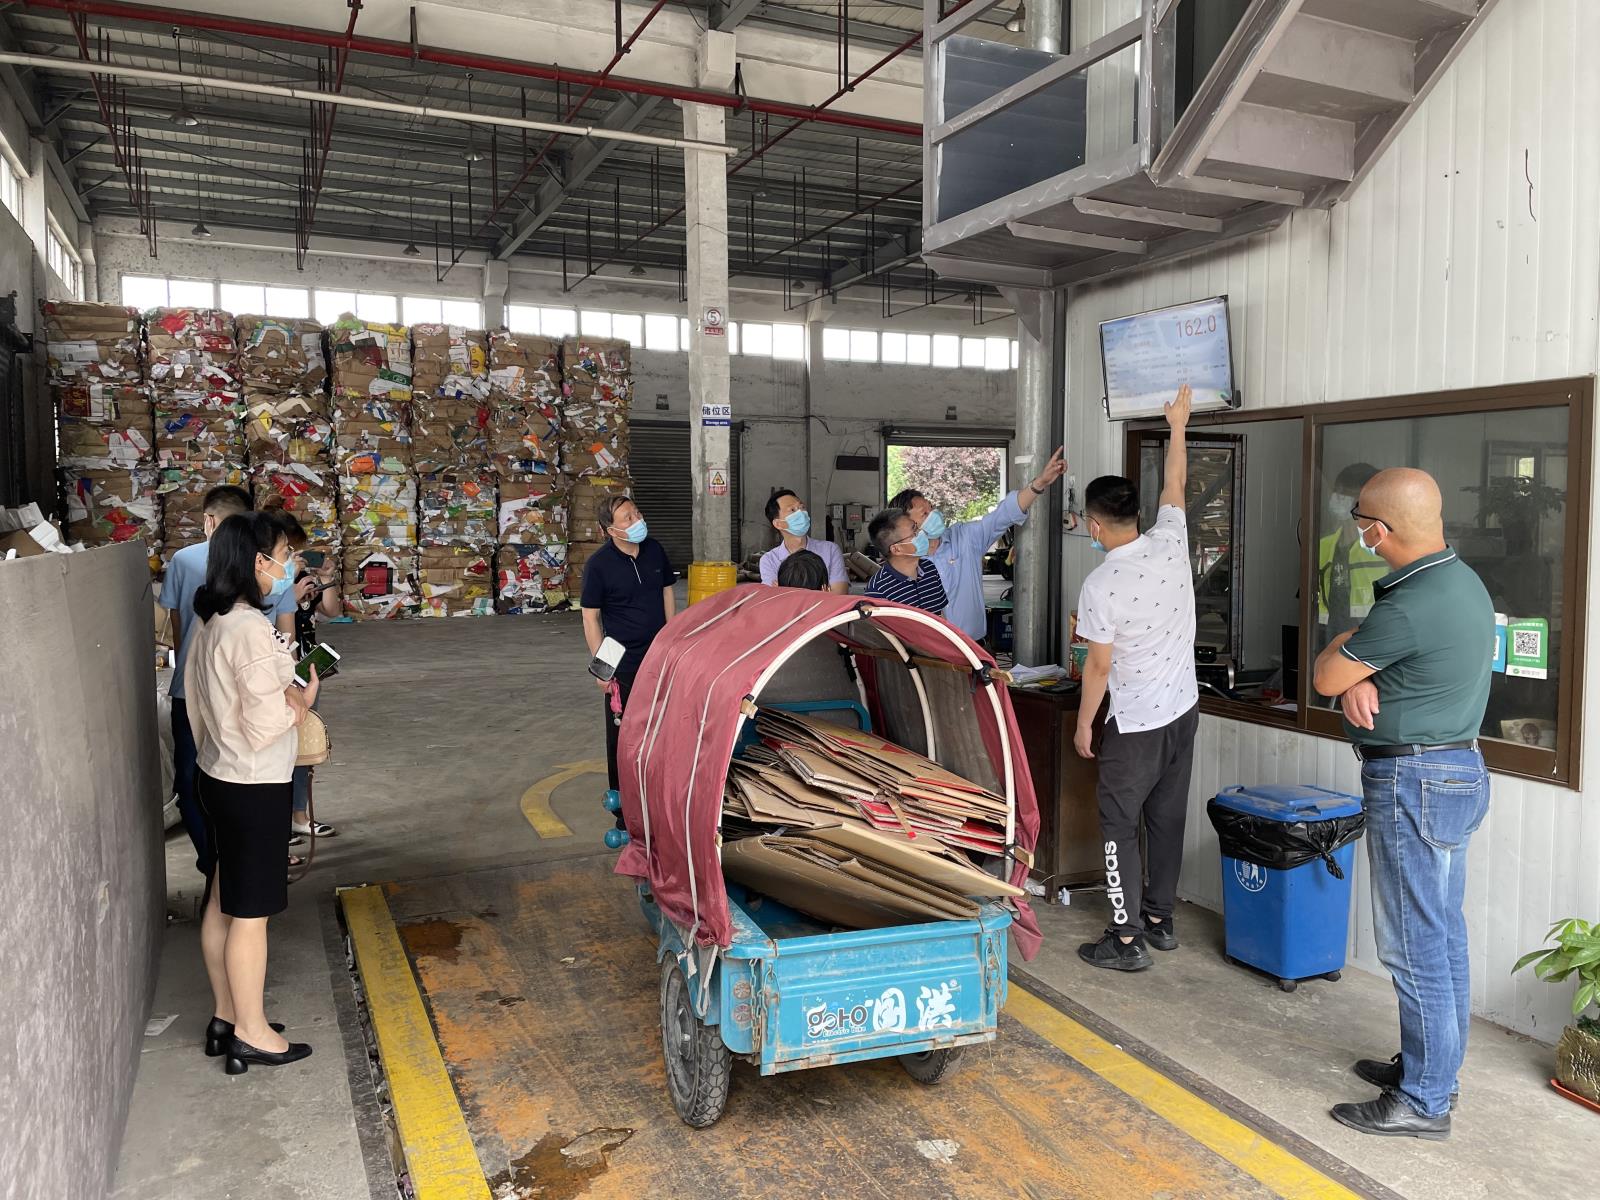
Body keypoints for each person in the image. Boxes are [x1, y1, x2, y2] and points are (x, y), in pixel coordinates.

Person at [1313, 468, 1493, 1142]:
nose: (1357, 529)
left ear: (1379, 531)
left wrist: (1351, 668)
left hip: (1413, 780)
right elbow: (1363, 666)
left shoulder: (1410, 604)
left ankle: (1424, 1100)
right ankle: (1431, 1069)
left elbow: (1325, 674)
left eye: (1360, 520)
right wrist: (1365, 669)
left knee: (1414, 945)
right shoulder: (1459, 581)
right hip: (1454, 772)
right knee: (1441, 936)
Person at [185, 511, 317, 1074]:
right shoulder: (250, 629)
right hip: (255, 784)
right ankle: (252, 1032)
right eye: (283, 555)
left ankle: (225, 1016)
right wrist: (302, 699)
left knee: (222, 898)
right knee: (251, 915)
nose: (288, 566)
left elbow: (198, 708)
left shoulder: (213, 622)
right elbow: (266, 722)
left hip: (218, 775)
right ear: (258, 561)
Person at [1073, 385, 1198, 973]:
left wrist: (1084, 726)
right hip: (1183, 712)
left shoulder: (1101, 584)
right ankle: (1159, 919)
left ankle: (1125, 941)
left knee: (1119, 826)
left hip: (1136, 721)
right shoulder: (1171, 540)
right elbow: (1176, 483)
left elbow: (1098, 666)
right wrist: (1178, 427)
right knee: (1166, 819)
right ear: (1137, 516)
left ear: (1095, 525)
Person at [158, 484, 254, 875]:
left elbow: (178, 629)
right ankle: (239, 862)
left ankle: (211, 863)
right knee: (241, 779)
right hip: (244, 692)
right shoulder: (263, 564)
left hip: (191, 690)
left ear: (209, 520)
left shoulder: (183, 560)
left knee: (191, 781)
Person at [889, 446, 1068, 641]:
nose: (934, 514)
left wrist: (1039, 483)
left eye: (931, 508)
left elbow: (1004, 514)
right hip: (927, 651)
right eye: (925, 513)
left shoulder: (965, 538)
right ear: (905, 524)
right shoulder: (903, 562)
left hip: (973, 647)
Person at [580, 496, 678, 817]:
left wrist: (671, 639)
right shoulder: (598, 565)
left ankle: (660, 805)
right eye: (627, 517)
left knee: (662, 730)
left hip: (658, 655)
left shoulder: (654, 550)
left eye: (637, 512)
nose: (637, 520)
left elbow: (666, 591)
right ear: (611, 530)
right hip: (621, 660)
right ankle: (626, 812)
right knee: (623, 737)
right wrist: (602, 669)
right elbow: (591, 617)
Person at [264, 509, 342, 858]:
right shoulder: (266, 585)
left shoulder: (299, 578)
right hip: (279, 674)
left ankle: (299, 816)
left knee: (304, 748)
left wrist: (327, 579)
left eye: (297, 551)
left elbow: (331, 611)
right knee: (278, 752)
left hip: (306, 671)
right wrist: (289, 594)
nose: (296, 558)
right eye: (289, 551)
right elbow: (269, 629)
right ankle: (277, 825)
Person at [1317, 462, 1387, 637]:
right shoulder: (1323, 547)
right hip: (1328, 641)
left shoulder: (1382, 550)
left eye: (1346, 493)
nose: (1338, 498)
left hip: (1371, 642)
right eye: (1337, 492)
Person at [759, 489, 849, 593]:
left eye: (802, 507)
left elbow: (839, 595)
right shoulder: (769, 560)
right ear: (778, 524)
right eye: (792, 510)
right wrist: (822, 595)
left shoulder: (830, 550)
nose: (801, 512)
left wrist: (788, 593)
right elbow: (775, 598)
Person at [863, 507, 948, 614]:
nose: (922, 532)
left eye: (916, 526)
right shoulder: (878, 590)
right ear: (896, 549)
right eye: (914, 532)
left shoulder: (929, 568)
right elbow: (880, 625)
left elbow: (940, 616)